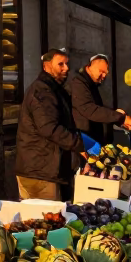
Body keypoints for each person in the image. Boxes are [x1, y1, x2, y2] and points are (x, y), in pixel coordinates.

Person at [15, 49, 83, 201]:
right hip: (39, 171)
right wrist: (80, 144)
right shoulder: (42, 90)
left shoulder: (54, 89)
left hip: (46, 169)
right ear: (46, 66)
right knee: (44, 220)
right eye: (60, 64)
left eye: (67, 64)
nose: (66, 68)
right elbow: (49, 128)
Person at [67, 54, 131, 145]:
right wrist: (120, 117)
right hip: (85, 140)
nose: (103, 76)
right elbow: (89, 109)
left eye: (105, 73)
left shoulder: (92, 84)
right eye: (101, 72)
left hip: (95, 139)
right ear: (90, 66)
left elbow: (98, 108)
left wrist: (115, 115)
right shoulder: (78, 83)